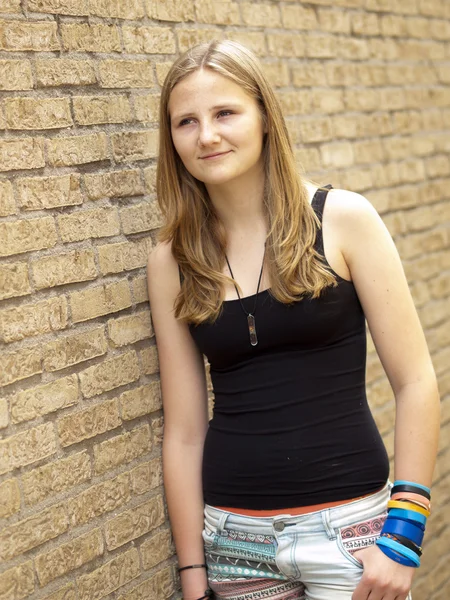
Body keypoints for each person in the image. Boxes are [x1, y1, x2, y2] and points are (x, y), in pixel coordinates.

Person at [147, 39, 440, 600]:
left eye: (225, 113)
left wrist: (402, 537)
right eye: (186, 121)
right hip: (236, 543)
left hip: (352, 536)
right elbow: (184, 433)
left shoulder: (343, 220)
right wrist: (193, 573)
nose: (206, 135)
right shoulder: (172, 262)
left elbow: (415, 381)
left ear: (264, 117)